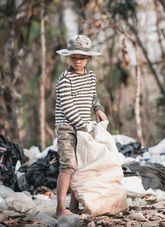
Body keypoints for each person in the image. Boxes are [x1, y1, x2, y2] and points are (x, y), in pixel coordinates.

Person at [54, 34, 108, 218]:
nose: (78, 61)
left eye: (82, 58)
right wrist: (82, 127)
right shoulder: (64, 79)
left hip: (84, 127)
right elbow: (67, 106)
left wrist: (98, 109)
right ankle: (60, 208)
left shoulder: (91, 76)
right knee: (68, 165)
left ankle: (74, 206)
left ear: (89, 59)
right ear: (68, 58)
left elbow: (93, 97)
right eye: (74, 57)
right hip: (67, 127)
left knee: (81, 166)